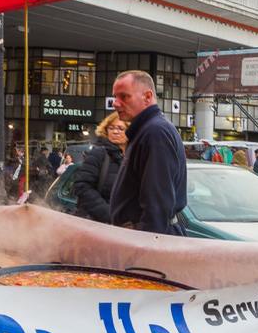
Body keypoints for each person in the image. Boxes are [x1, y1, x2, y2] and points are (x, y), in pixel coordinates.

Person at [108, 70, 187, 233]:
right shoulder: (148, 129)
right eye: (115, 97)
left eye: (124, 96)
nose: (115, 103)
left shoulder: (154, 132)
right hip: (142, 237)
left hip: (146, 240)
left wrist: (148, 248)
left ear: (147, 97)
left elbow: (157, 203)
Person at [72, 114, 126, 223]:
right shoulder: (99, 153)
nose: (115, 132)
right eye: (111, 128)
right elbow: (82, 186)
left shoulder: (135, 156)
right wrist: (108, 214)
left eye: (121, 128)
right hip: (100, 225)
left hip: (128, 227)